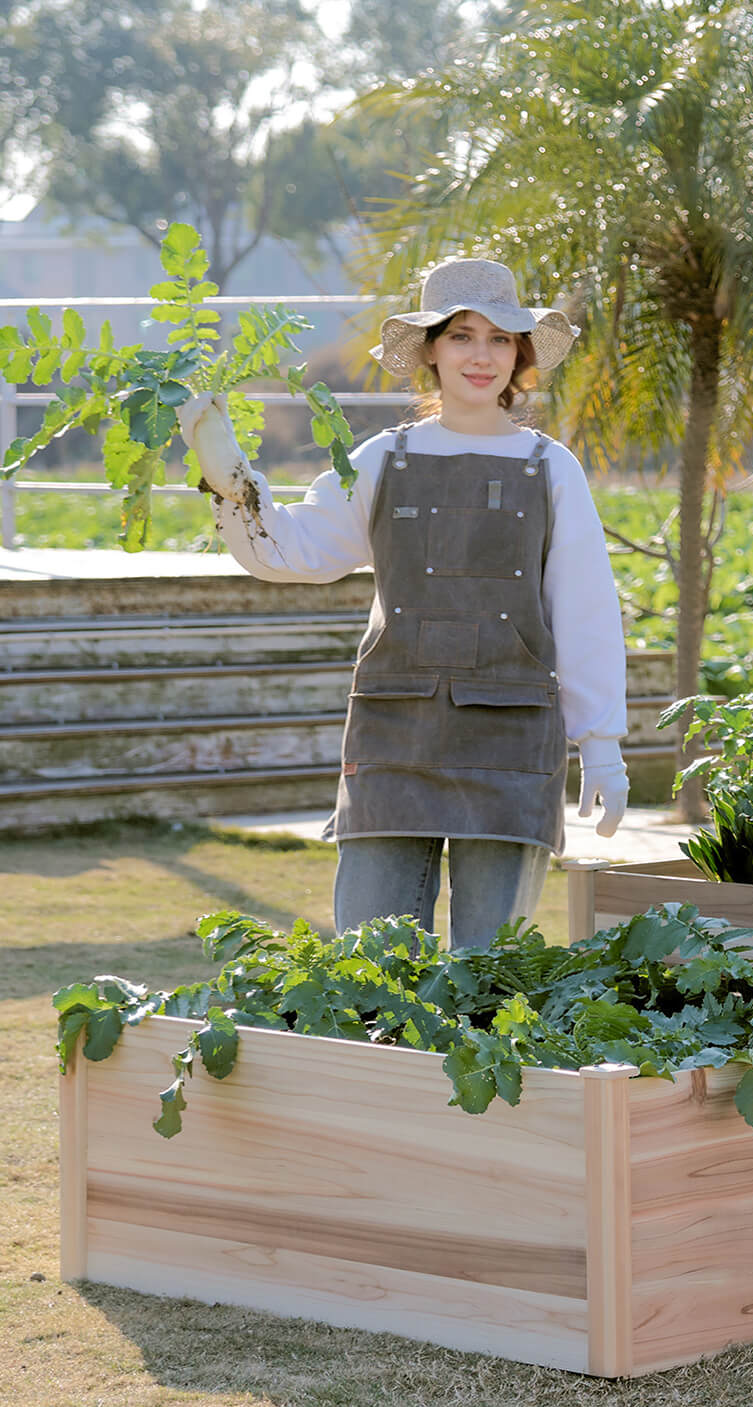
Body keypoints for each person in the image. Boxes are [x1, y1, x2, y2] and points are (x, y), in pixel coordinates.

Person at [177, 257, 629, 949]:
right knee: (373, 969)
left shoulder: (551, 468)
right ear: (430, 351)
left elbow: (586, 610)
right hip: (395, 737)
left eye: (500, 339)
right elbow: (293, 551)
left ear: (521, 354)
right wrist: (228, 474)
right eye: (461, 336)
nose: (482, 356)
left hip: (511, 744)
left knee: (489, 971)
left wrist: (601, 746)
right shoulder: (384, 458)